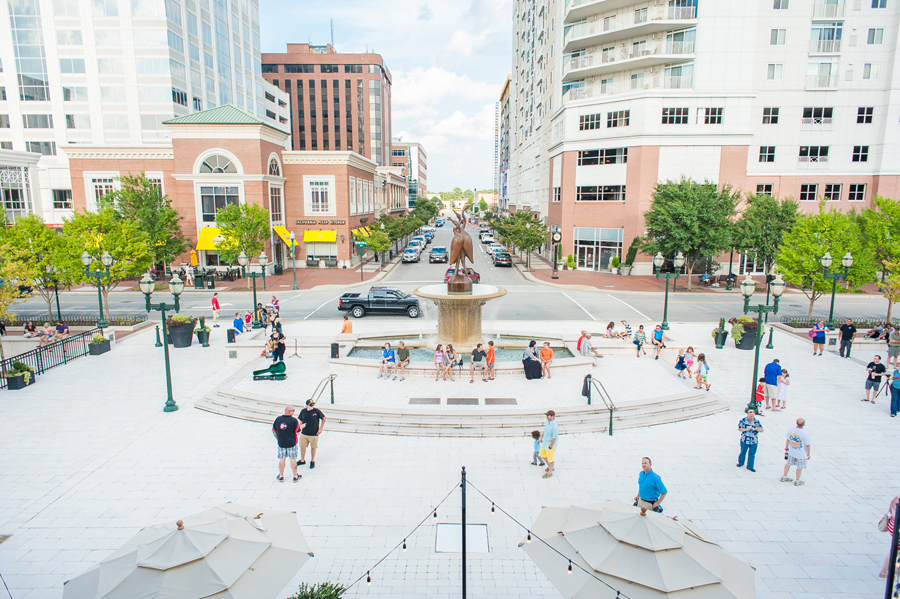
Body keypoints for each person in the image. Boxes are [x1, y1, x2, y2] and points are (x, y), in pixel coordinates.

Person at [272, 406, 301, 483]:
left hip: (281, 443)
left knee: (282, 459)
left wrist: (278, 438)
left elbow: (274, 430)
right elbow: (297, 432)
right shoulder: (294, 420)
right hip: (292, 443)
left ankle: (281, 476)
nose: (293, 412)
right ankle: (295, 476)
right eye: (293, 411)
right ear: (289, 411)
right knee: (293, 459)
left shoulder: (278, 419)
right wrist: (302, 427)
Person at [781, 418, 810, 486]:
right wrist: (808, 454)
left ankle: (784, 476)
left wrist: (786, 447)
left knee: (788, 463)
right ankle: (797, 480)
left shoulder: (791, 430)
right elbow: (807, 445)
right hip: (801, 453)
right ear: (804, 424)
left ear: (796, 423)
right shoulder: (805, 434)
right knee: (800, 467)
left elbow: (787, 439)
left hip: (792, 451)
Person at [298, 399, 325, 469]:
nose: (312, 406)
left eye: (313, 405)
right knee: (302, 446)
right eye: (310, 405)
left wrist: (321, 428)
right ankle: (302, 459)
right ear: (307, 405)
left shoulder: (316, 411)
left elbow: (324, 418)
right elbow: (300, 420)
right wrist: (300, 427)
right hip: (304, 433)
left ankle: (312, 460)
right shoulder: (303, 411)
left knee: (313, 447)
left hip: (314, 433)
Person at [879, 496, 900, 578]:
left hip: (892, 525)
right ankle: (883, 572)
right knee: (895, 552)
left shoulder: (896, 498)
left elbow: (891, 511)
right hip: (897, 529)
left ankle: (896, 568)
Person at [539, 410, 558, 478]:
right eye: (546, 415)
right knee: (543, 455)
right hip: (545, 442)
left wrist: (550, 446)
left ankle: (550, 472)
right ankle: (550, 467)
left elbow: (554, 437)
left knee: (550, 459)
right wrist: (541, 437)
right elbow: (545, 430)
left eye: (548, 415)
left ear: (552, 416)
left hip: (550, 444)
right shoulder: (547, 422)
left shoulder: (554, 425)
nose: (547, 417)